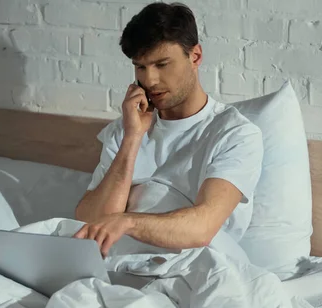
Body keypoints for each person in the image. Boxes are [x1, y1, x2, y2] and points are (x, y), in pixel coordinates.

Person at [73, 2, 263, 258]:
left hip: (198, 267)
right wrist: (132, 138)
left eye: (162, 64)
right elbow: (92, 220)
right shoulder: (125, 129)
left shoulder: (234, 134)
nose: (149, 80)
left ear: (195, 57)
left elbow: (202, 228)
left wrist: (128, 221)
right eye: (140, 67)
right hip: (120, 266)